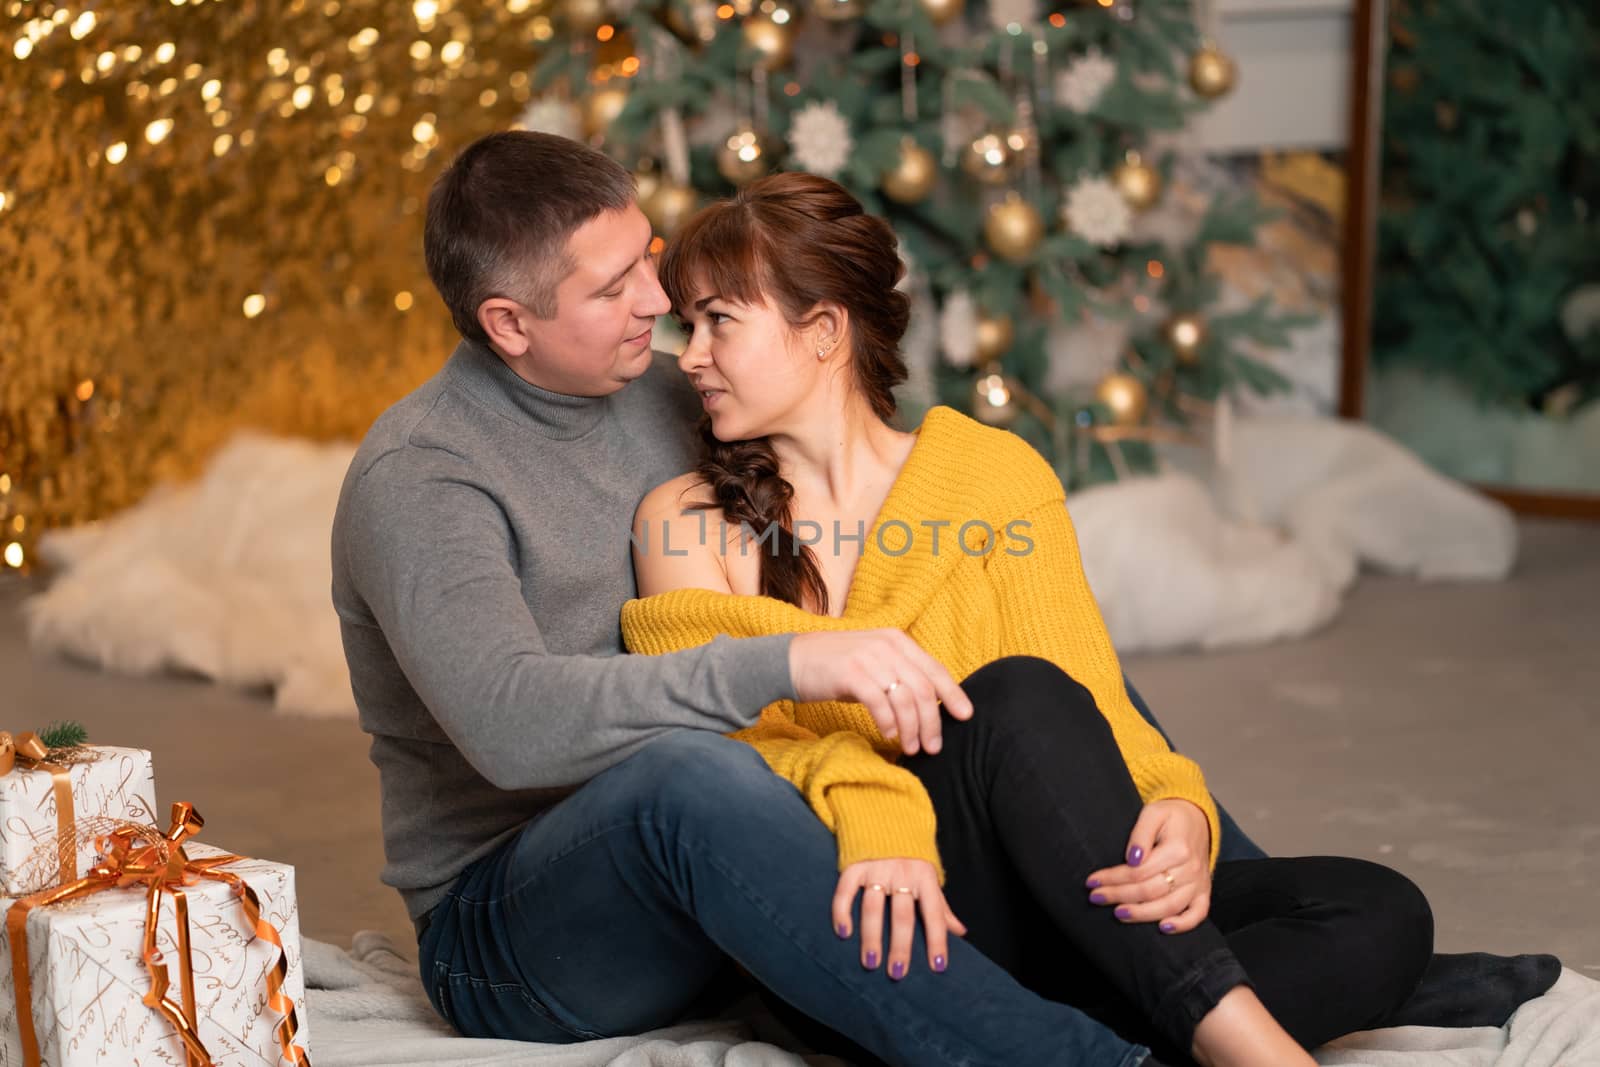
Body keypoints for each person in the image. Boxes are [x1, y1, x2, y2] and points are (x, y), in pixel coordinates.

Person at [620, 172, 1555, 1065]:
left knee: (1380, 906)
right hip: (882, 907)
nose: (688, 355)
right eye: (685, 324)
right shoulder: (685, 520)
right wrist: (883, 814)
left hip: (1060, 901)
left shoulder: (993, 477)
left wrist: (1179, 808)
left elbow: (1093, 699)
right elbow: (729, 755)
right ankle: (1253, 1049)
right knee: (1012, 698)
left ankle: (1053, 1039)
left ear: (823, 332)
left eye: (715, 323)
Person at [331, 129, 1212, 1067]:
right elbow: (511, 726)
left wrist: (1174, 799)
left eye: (650, 261)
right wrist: (793, 659)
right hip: (520, 922)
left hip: (755, 839)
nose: (658, 304)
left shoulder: (672, 390)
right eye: (610, 288)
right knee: (687, 776)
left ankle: (1209, 931)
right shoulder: (422, 476)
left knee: (1041, 676)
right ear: (510, 323)